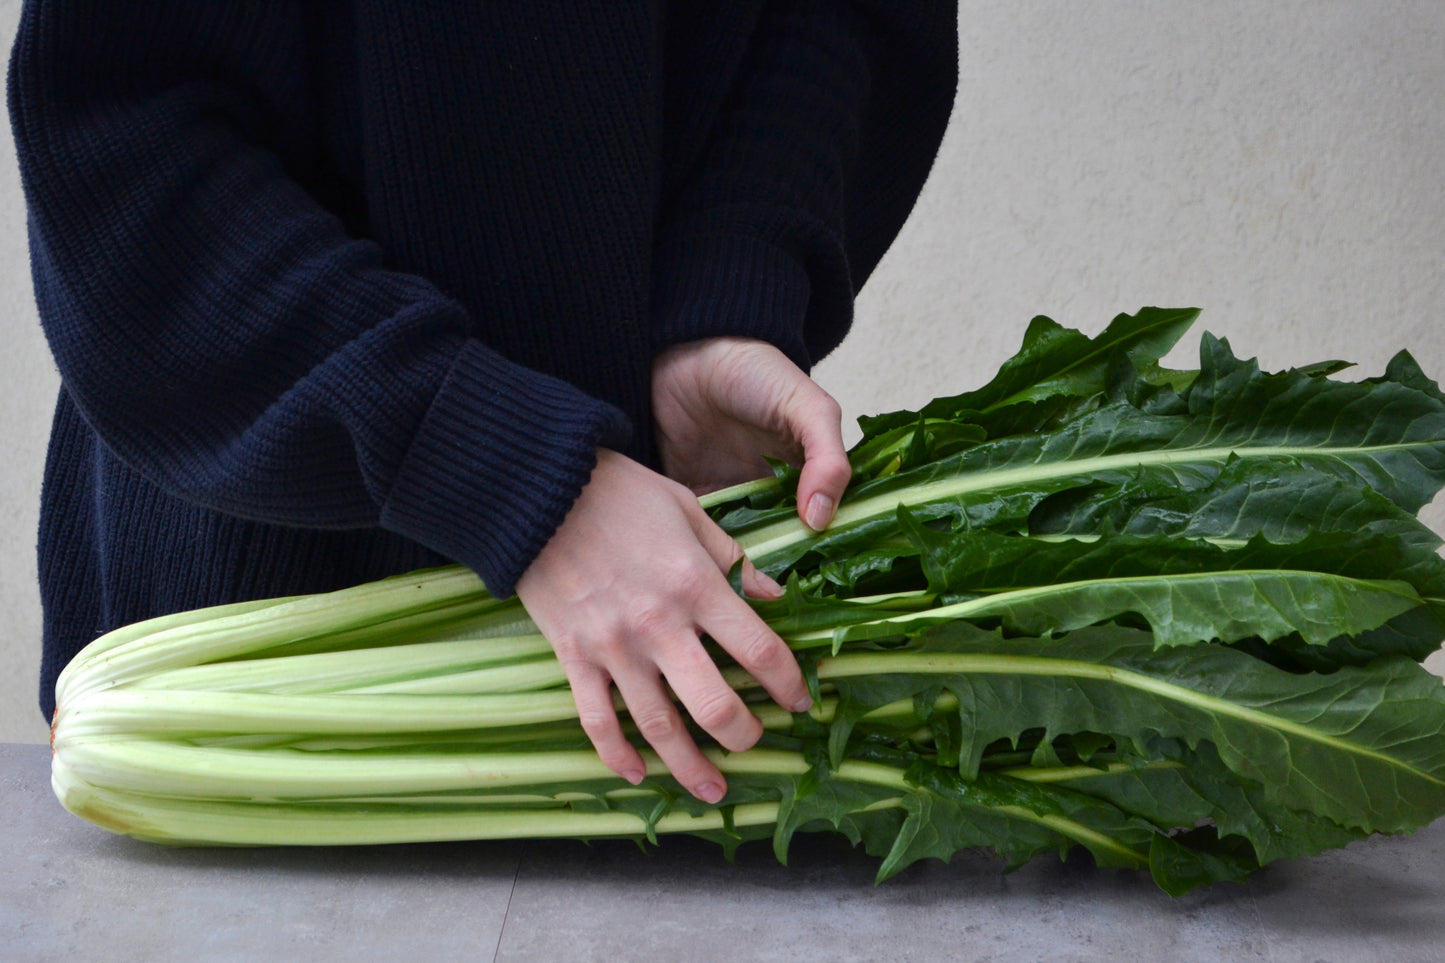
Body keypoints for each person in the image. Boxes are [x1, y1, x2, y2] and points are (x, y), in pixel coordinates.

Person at [10, 2, 957, 803]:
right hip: (234, 637)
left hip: (649, 648)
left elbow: (847, 22)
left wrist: (724, 297)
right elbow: (122, 135)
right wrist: (504, 469)